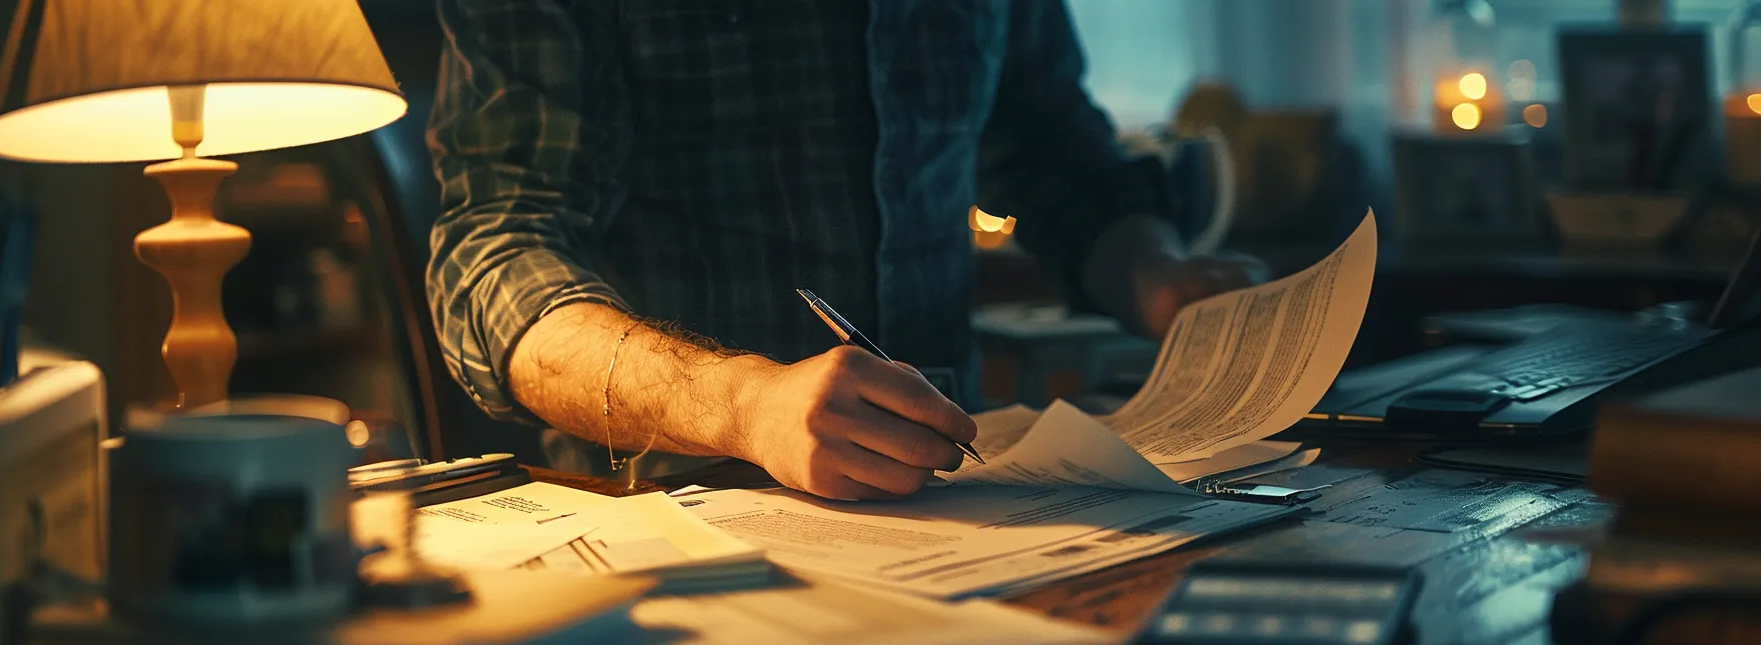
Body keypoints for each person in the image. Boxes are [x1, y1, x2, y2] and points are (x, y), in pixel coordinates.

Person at [427, 0, 1265, 500]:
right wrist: (743, 405)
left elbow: (1053, 157)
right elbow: (495, 252)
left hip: (967, 508)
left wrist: (1161, 277)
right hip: (672, 521)